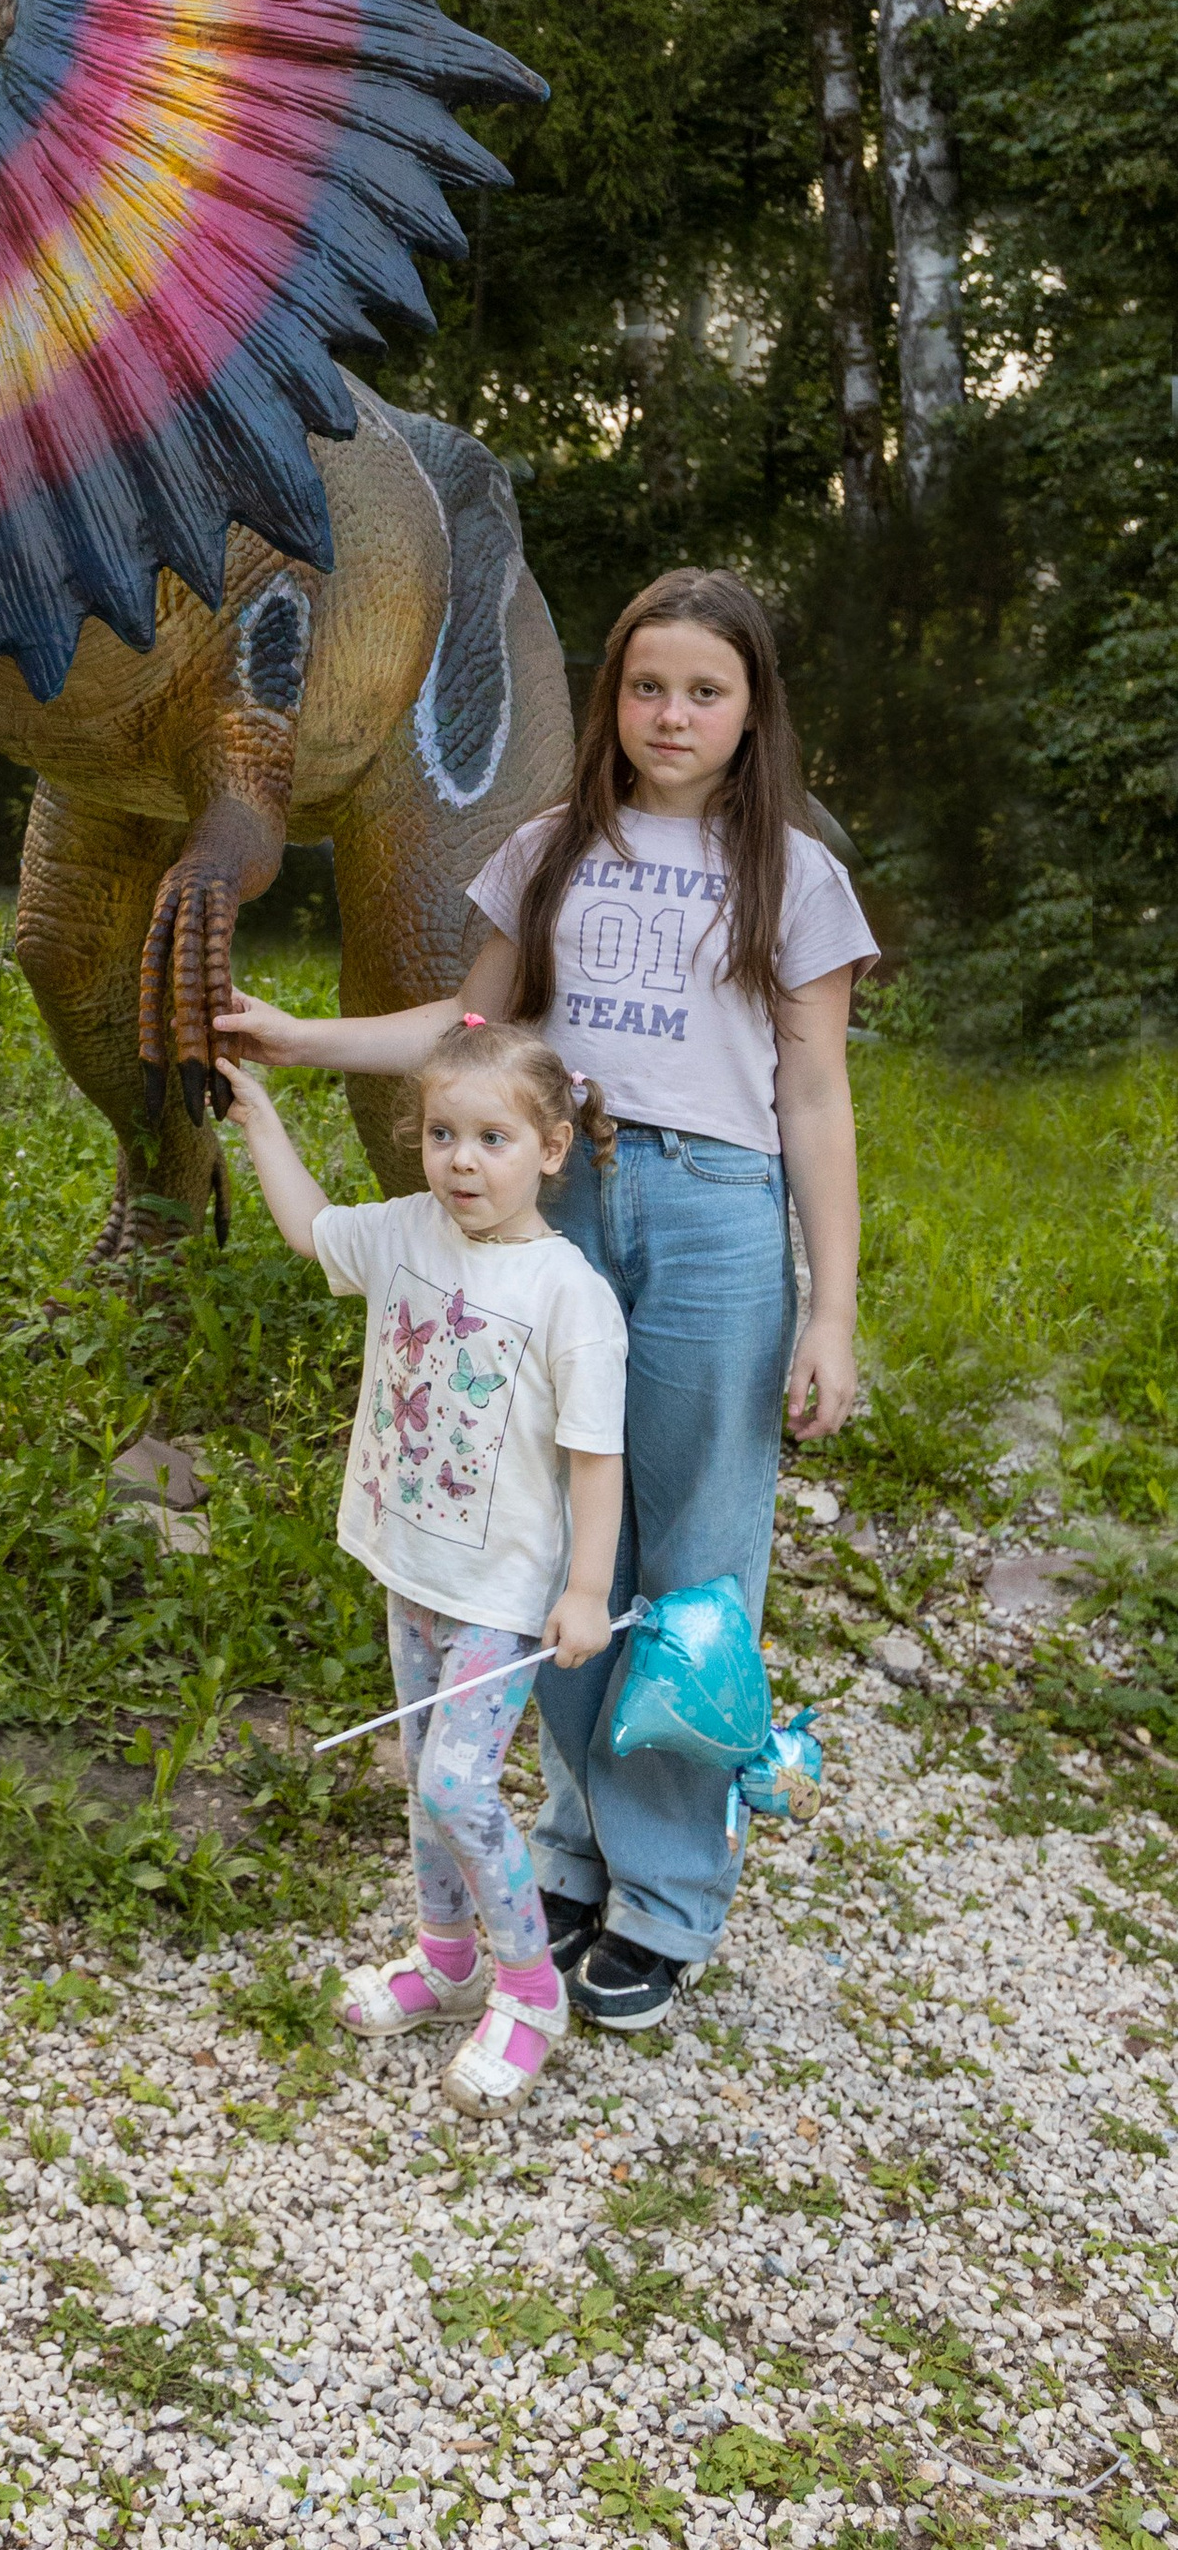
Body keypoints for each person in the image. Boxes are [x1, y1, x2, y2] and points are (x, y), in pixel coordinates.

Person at [218, 564, 874, 2034]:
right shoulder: (551, 850)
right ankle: (574, 1855)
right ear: (614, 700)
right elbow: (471, 1036)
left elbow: (819, 1100)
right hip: (562, 1202)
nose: (673, 714)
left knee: (689, 1569)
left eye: (706, 689)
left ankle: (667, 1899)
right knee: (554, 1560)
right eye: (648, 686)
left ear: (753, 705)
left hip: (715, 1219)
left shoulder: (798, 879)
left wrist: (831, 1308)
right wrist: (290, 1035)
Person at [226, 1021, 625, 2114]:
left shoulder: (567, 1293)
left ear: (549, 1150)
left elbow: (598, 1460)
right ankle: (444, 1958)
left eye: (492, 1138)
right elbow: (311, 1232)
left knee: (459, 1783)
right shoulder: (406, 1235)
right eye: (443, 1133)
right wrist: (261, 1115)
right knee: (421, 1781)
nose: (460, 1160)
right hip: (410, 1571)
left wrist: (584, 1589)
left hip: (502, 1596)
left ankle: (528, 1987)